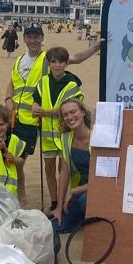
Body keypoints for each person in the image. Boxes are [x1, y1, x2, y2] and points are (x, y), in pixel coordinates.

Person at [5, 23, 101, 212]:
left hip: (40, 122)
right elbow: (12, 82)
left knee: (61, 165)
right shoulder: (19, 61)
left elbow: (76, 58)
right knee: (18, 160)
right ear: (24, 38)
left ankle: (61, 201)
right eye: (29, 36)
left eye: (36, 37)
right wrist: (8, 99)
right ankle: (22, 199)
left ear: (42, 39)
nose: (32, 40)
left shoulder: (48, 58)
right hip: (20, 119)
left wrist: (96, 46)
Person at [31, 46, 84, 212]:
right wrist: (35, 107)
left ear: (66, 63)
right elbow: (36, 99)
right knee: (49, 170)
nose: (57, 65)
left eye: (61, 62)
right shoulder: (43, 81)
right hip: (47, 136)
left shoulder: (72, 84)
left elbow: (67, 109)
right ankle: (54, 202)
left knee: (64, 171)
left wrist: (45, 112)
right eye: (53, 62)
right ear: (49, 63)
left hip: (65, 135)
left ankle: (63, 202)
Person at [51, 98, 91, 233]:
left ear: (83, 112)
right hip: (77, 193)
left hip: (94, 192)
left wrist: (73, 191)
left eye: (73, 112)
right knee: (56, 227)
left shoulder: (97, 137)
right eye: (65, 115)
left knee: (85, 201)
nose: (70, 117)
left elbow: (102, 180)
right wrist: (59, 206)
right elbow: (64, 172)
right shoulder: (66, 138)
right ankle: (81, 219)